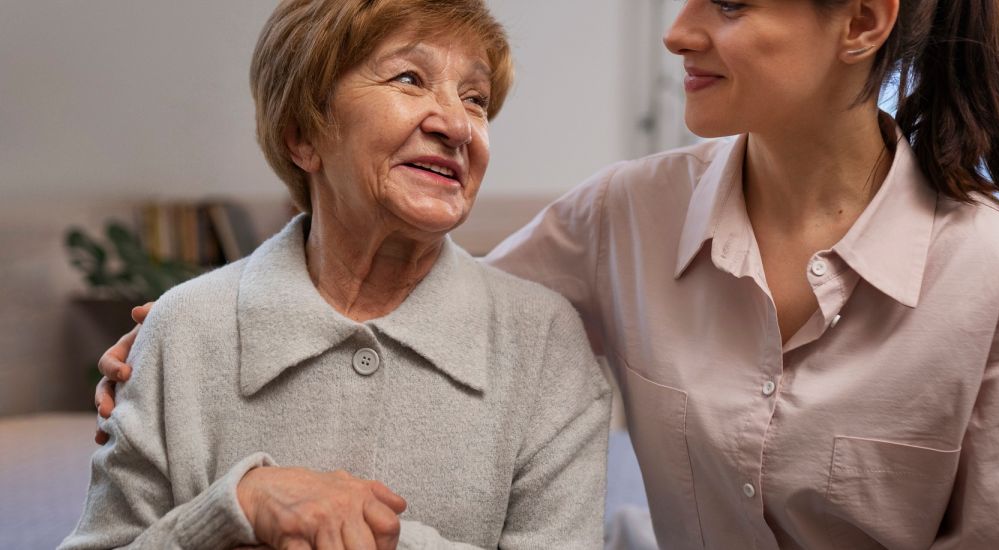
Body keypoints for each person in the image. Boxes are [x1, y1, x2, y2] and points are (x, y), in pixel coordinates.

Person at [96, 0, 999, 548]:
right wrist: (185, 342)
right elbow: (424, 305)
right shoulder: (621, 215)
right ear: (302, 130)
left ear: (863, 21)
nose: (677, 28)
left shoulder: (998, 275)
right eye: (409, 78)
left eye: (730, 2)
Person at [64, 1, 612, 549]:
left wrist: (364, 535)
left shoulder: (545, 342)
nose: (457, 125)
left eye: (476, 99)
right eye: (409, 79)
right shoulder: (180, 330)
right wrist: (237, 507)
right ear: (302, 135)